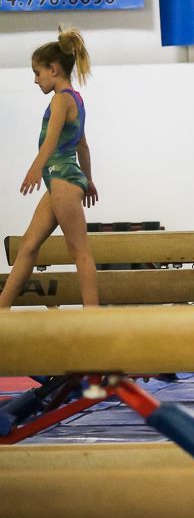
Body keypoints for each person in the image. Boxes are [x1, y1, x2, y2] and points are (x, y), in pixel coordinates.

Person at [1, 28, 99, 309]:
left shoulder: (60, 100)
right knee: (29, 246)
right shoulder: (76, 100)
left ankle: (94, 317)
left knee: (79, 251)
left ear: (53, 69)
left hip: (62, 178)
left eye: (37, 72)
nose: (35, 80)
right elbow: (82, 145)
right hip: (61, 179)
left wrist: (35, 169)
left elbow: (52, 140)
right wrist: (89, 180)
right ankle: (2, 309)